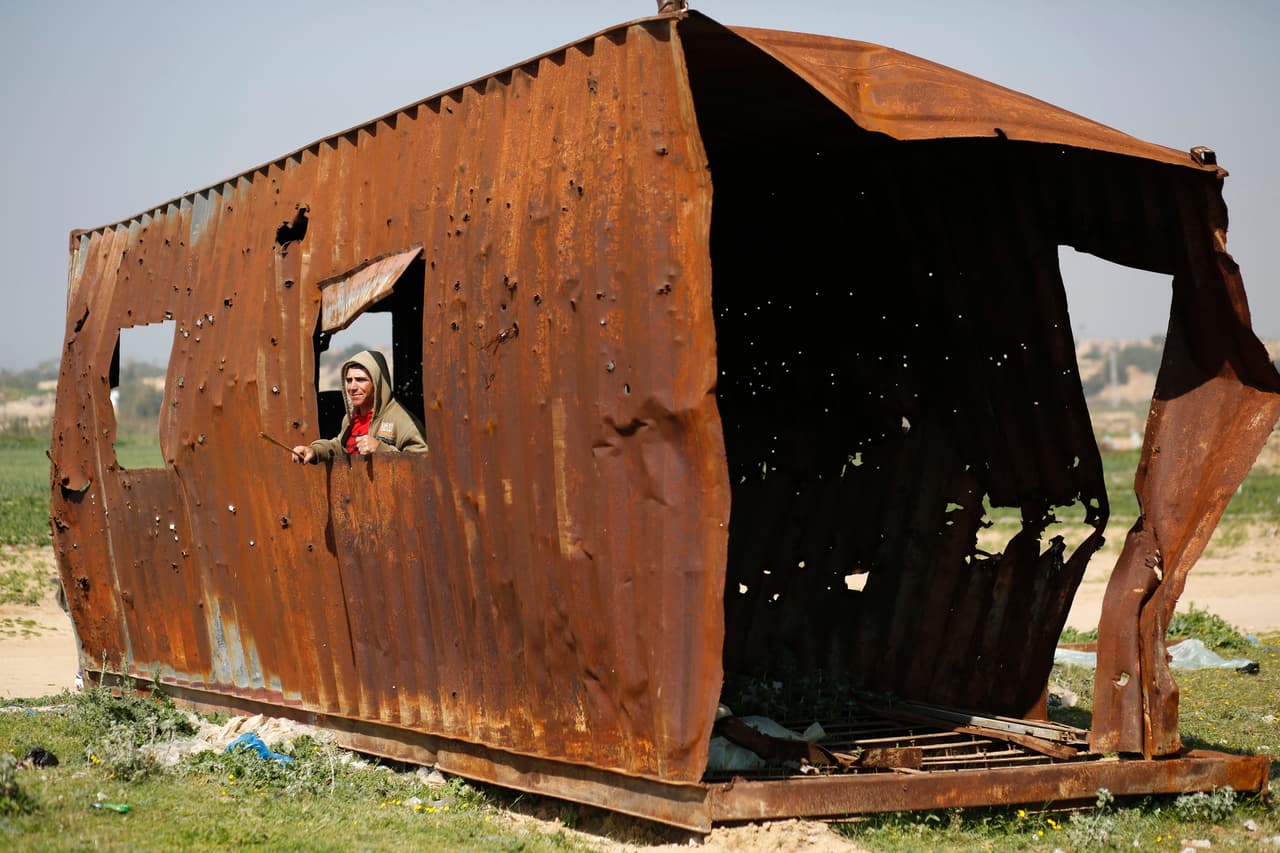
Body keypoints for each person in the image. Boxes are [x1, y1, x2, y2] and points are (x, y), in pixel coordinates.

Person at [292, 349, 427, 463]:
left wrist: (381, 449)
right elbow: (340, 447)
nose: (352, 387)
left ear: (377, 384)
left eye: (361, 380)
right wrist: (313, 450)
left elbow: (423, 460)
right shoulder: (350, 418)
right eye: (349, 380)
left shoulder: (402, 419)